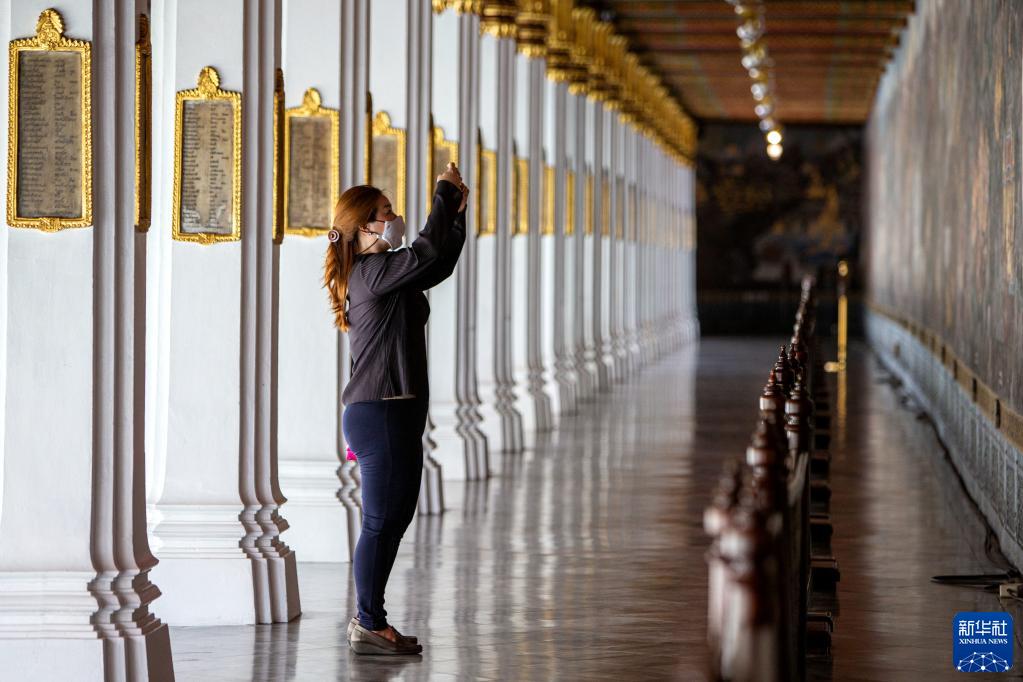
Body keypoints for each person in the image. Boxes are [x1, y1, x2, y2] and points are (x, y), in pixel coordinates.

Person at [322, 163, 468, 655]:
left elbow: (436, 263)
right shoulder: (371, 273)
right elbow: (424, 251)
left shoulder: (388, 274)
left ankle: (372, 618)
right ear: (364, 226)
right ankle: (368, 621)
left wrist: (456, 216)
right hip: (378, 412)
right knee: (380, 521)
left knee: (398, 515)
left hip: (395, 411)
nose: (395, 217)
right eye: (386, 213)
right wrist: (442, 195)